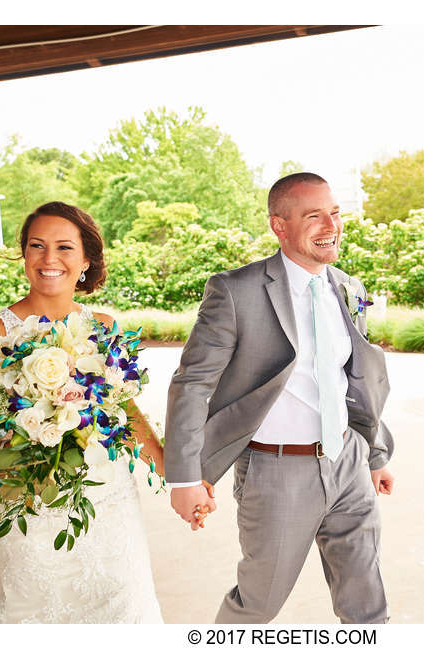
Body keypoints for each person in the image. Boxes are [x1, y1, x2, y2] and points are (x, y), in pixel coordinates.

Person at [164, 173, 396, 624]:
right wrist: (184, 477)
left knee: (368, 603)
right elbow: (192, 383)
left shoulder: (347, 287)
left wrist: (375, 453)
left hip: (347, 460)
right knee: (257, 605)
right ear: (279, 226)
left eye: (334, 212)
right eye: (314, 216)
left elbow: (352, 380)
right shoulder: (235, 291)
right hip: (276, 472)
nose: (331, 225)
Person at [0, 201, 165, 623]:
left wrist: (177, 475)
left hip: (108, 502)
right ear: (24, 254)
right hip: (29, 512)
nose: (49, 259)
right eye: (37, 246)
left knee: (124, 608)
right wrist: (36, 445)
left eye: (64, 247)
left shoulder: (104, 326)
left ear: (85, 260)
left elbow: (125, 416)